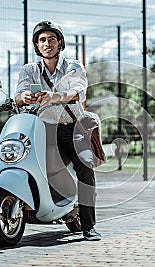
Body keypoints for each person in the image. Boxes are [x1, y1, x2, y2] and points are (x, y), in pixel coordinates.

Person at [15, 20, 101, 241]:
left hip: (71, 128)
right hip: (41, 128)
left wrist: (56, 97)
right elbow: (18, 96)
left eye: (51, 39)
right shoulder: (29, 70)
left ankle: (89, 226)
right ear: (36, 45)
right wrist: (24, 97)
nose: (47, 43)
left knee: (84, 165)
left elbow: (78, 91)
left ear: (60, 42)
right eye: (42, 40)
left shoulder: (73, 66)